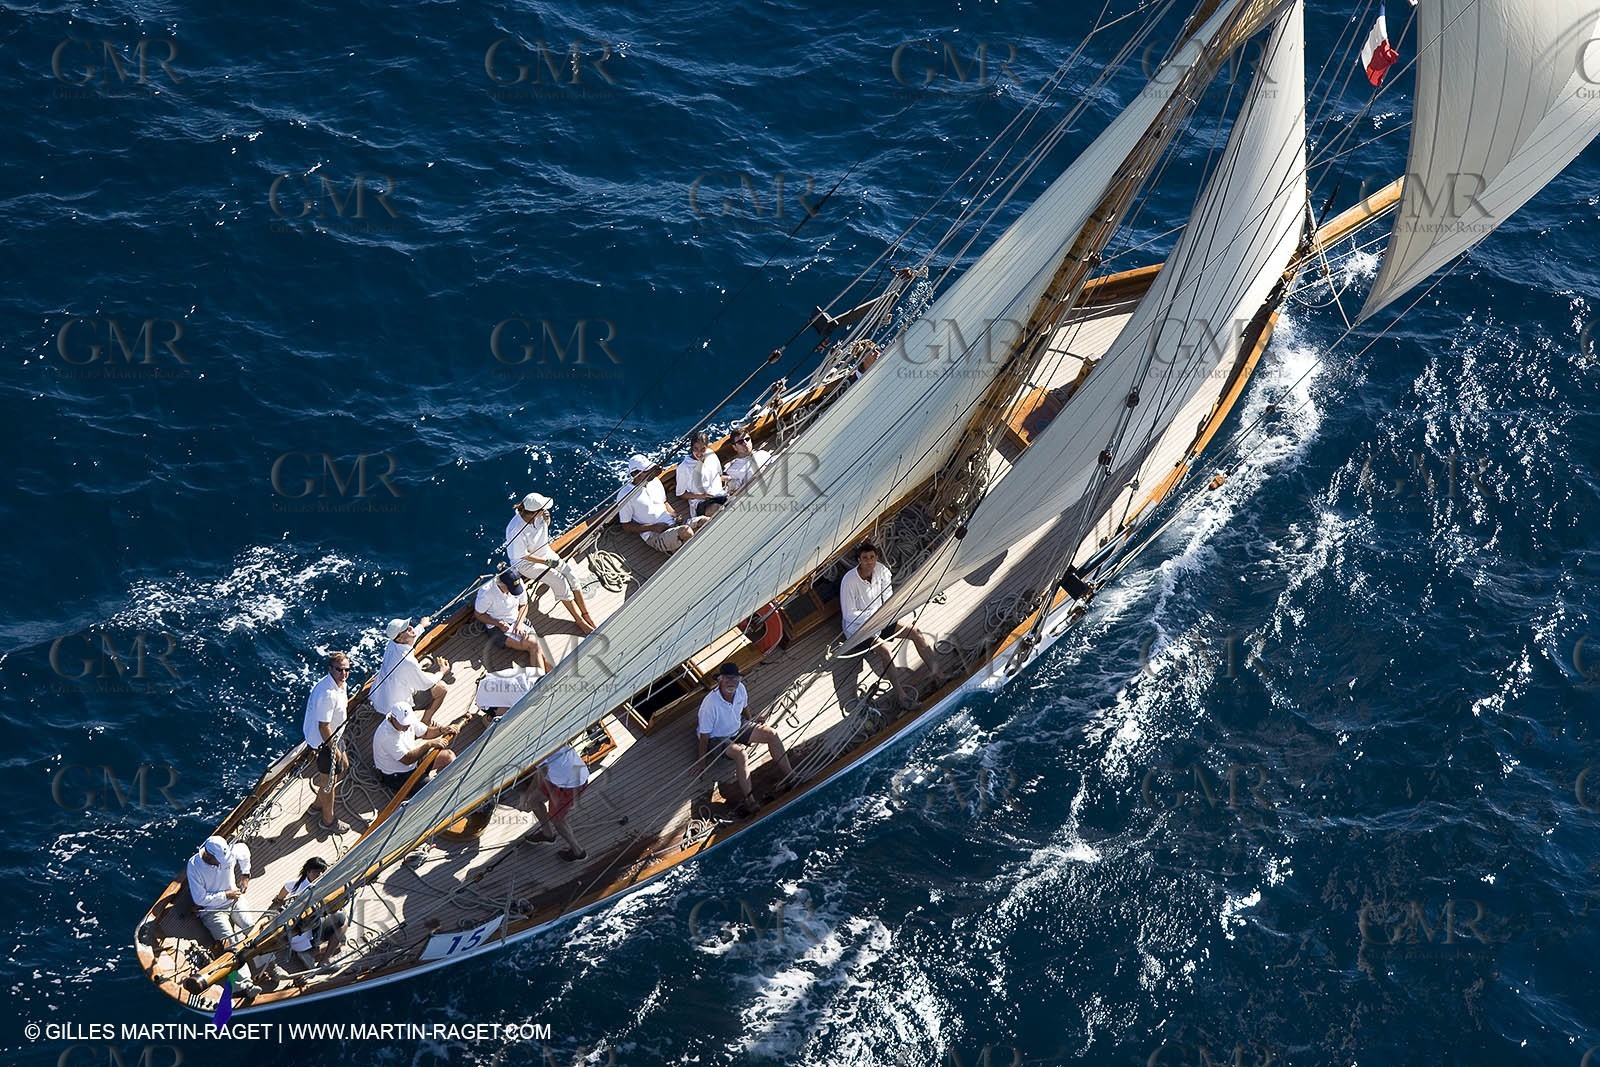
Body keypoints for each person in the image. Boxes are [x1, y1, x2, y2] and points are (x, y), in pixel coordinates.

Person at [839, 542, 943, 704]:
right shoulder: (849, 581)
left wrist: (887, 614)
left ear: (877, 557)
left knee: (915, 632)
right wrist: (874, 616)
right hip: (858, 629)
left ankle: (939, 676)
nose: (869, 561)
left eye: (872, 557)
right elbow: (849, 614)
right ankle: (902, 696)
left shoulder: (882, 571)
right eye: (865, 558)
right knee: (885, 651)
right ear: (859, 560)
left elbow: (887, 598)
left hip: (882, 619)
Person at [693, 662, 794, 815]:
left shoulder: (740, 689)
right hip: (716, 737)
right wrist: (702, 762)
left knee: (771, 734)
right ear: (720, 680)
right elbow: (705, 735)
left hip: (737, 725)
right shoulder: (710, 705)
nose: (732, 682)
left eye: (735, 678)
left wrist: (751, 719)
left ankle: (791, 776)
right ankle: (750, 800)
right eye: (727, 678)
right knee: (741, 754)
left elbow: (744, 706)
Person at [506, 492, 597, 634]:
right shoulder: (515, 529)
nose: (546, 510)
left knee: (570, 574)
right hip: (527, 563)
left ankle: (585, 613)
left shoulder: (539, 515)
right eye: (543, 509)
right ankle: (579, 621)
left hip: (543, 552)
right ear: (534, 512)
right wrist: (547, 562)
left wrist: (547, 521)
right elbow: (523, 556)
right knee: (559, 580)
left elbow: (540, 532)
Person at [185, 835, 258, 989]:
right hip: (212, 911)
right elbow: (200, 899)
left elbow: (243, 850)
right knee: (232, 942)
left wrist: (246, 875)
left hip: (235, 901)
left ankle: (269, 964)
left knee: (252, 927)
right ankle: (244, 984)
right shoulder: (194, 867)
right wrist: (225, 895)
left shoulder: (228, 852)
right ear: (209, 855)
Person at [267, 857, 346, 983]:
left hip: (290, 937)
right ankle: (323, 959)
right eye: (316, 872)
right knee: (342, 921)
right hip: (306, 939)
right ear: (308, 871)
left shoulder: (292, 884)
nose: (319, 875)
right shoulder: (319, 891)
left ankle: (308, 952)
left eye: (321, 872)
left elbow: (278, 901)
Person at [301, 651, 351, 834]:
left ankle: (316, 806)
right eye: (339, 670)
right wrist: (336, 751)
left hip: (335, 737)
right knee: (329, 784)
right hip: (326, 743)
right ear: (330, 669)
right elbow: (323, 727)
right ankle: (328, 821)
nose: (344, 674)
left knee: (342, 768)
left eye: (346, 670)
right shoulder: (327, 694)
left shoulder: (340, 684)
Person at [617, 454, 708, 553]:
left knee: (705, 520)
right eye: (647, 471)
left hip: (674, 524)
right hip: (655, 535)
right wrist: (653, 527)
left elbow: (664, 502)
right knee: (686, 531)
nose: (652, 473)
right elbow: (626, 526)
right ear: (635, 473)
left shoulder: (655, 481)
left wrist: (675, 515)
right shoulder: (625, 495)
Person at [518, 744, 590, 861]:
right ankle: (547, 835)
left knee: (557, 819)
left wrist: (526, 794)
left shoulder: (533, 745)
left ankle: (578, 852)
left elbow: (544, 769)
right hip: (560, 774)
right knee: (533, 801)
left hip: (572, 783)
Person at [372, 618, 449, 726]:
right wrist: (442, 672)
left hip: (380, 700)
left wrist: (421, 626)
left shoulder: (392, 644)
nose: (410, 628)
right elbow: (425, 684)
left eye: (409, 625)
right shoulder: (408, 662)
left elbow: (410, 637)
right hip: (396, 707)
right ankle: (426, 721)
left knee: (425, 674)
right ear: (399, 638)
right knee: (442, 688)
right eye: (406, 629)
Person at [473, 570, 552, 669]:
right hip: (498, 629)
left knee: (537, 647)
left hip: (518, 620)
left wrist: (519, 624)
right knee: (535, 645)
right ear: (501, 584)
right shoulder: (486, 594)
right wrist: (498, 623)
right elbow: (479, 614)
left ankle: (543, 680)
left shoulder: (517, 583)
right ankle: (545, 680)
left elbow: (524, 604)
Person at [371, 704, 458, 792]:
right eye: (404, 723)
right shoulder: (386, 736)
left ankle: (454, 782)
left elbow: (426, 732)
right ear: (393, 719)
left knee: (448, 756)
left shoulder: (408, 721)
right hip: (398, 776)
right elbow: (407, 760)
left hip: (414, 760)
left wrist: (442, 730)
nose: (407, 726)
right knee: (433, 787)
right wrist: (429, 745)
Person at [674, 431, 727, 519]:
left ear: (707, 447)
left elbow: (719, 474)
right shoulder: (683, 468)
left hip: (720, 494)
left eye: (703, 449)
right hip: (701, 502)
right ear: (691, 448)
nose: (699, 453)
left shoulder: (711, 455)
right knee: (719, 510)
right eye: (696, 449)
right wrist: (701, 496)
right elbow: (681, 494)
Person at [473, 664, 544, 720]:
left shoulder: (538, 672)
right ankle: (490, 717)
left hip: (487, 679)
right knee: (510, 717)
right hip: (483, 701)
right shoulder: (523, 697)